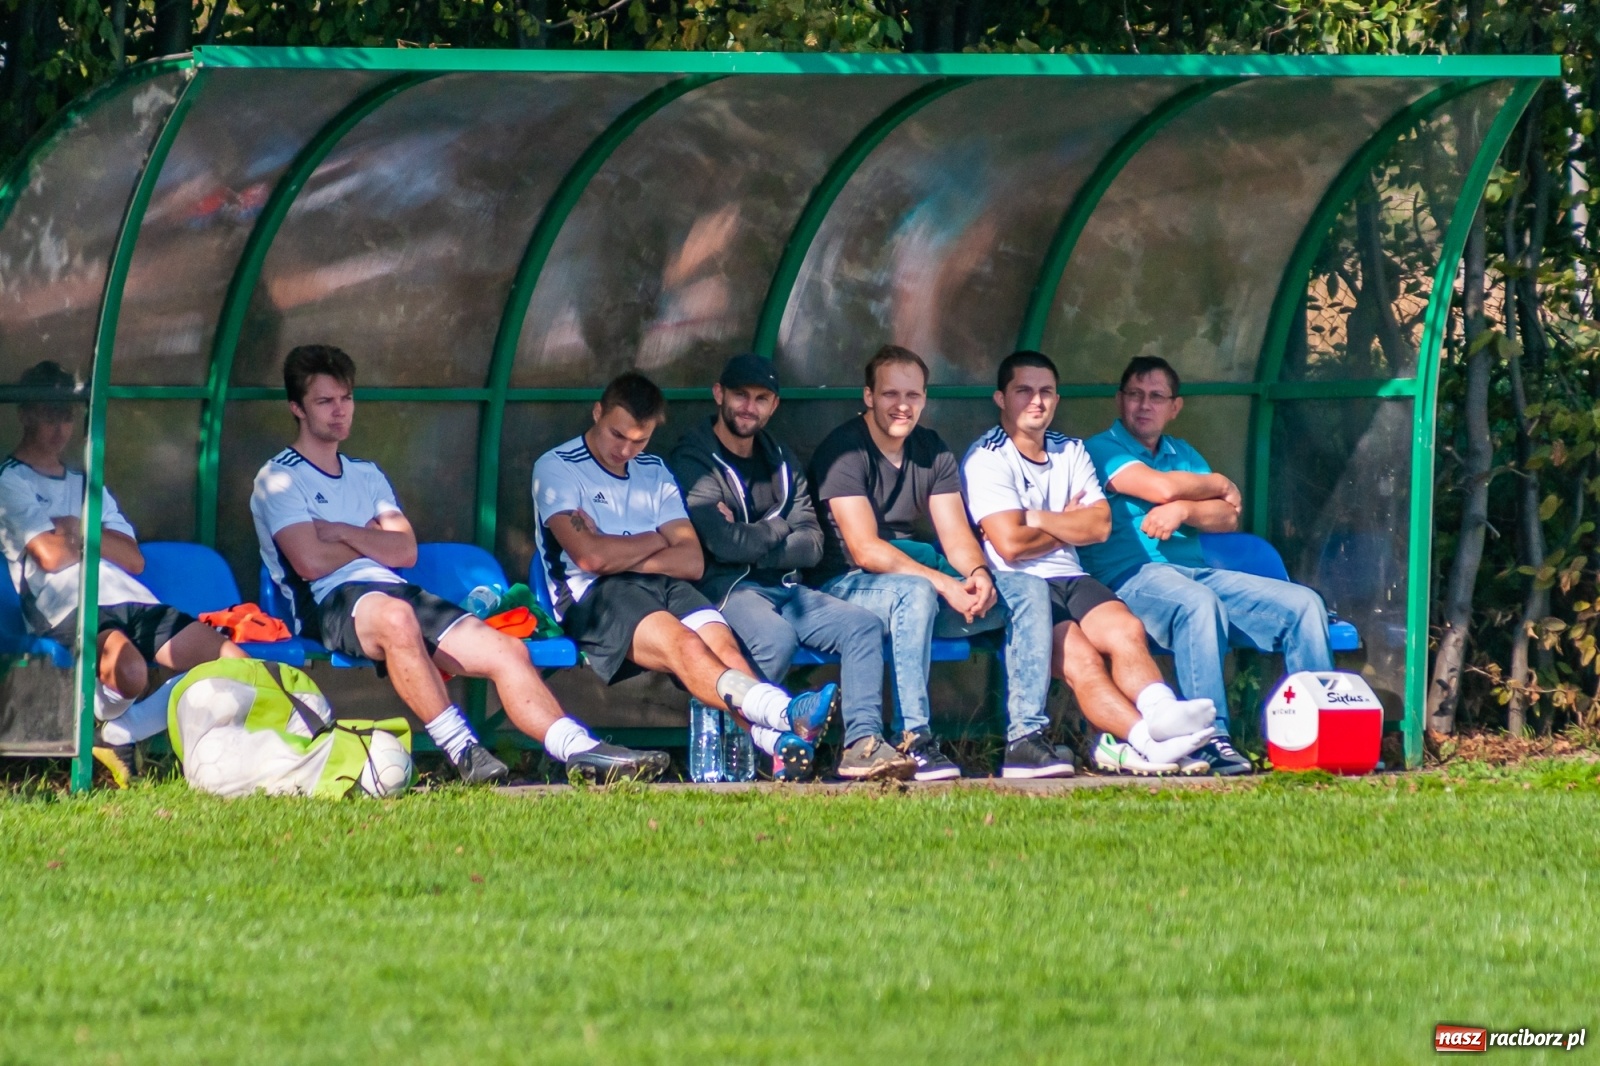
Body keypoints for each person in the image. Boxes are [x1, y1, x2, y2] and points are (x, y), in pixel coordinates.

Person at [252, 345, 667, 785]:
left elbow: (406, 552)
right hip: (329, 603)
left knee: (505, 649)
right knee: (396, 617)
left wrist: (342, 531)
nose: (340, 412)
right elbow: (312, 562)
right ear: (296, 408)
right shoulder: (279, 477)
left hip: (394, 592)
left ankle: (581, 750)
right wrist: (375, 540)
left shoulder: (366, 473)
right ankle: (463, 750)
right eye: (324, 402)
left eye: (346, 399)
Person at [533, 371, 838, 781]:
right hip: (595, 596)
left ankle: (776, 744)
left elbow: (692, 561)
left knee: (726, 651)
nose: (625, 450)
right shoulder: (557, 466)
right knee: (686, 646)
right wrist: (656, 538)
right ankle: (784, 712)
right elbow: (589, 559)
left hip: (663, 584)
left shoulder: (654, 469)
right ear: (597, 412)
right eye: (616, 435)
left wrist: (617, 547)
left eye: (639, 440)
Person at [809, 344, 1059, 781]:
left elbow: (956, 534)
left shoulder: (931, 448)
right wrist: (943, 583)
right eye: (890, 395)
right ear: (868, 396)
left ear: (925, 398)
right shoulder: (845, 450)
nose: (902, 406)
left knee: (1027, 589)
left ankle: (1025, 739)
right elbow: (865, 549)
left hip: (915, 587)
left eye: (913, 396)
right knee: (918, 591)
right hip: (846, 587)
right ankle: (914, 739)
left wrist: (978, 575)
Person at [961, 351, 1217, 776]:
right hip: (1022, 586)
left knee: (1127, 630)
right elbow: (1009, 545)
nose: (1036, 402)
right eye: (1024, 391)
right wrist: (1067, 521)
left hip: (1072, 575)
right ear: (1001, 398)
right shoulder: (987, 457)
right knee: (1082, 661)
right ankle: (1148, 743)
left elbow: (1099, 525)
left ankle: (1163, 713)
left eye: (1045, 392)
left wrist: (1037, 518)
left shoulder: (1071, 450)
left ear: (1057, 400)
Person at [1081, 355, 1335, 776]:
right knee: (1199, 602)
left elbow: (1228, 517)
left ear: (1174, 407)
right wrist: (1217, 483)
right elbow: (1161, 487)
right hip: (1132, 577)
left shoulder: (1184, 453)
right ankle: (1212, 739)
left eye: (1157, 397)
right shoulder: (1100, 448)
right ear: (1118, 400)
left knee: (1304, 604)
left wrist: (1182, 511)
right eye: (1135, 395)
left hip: (1194, 571)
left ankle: (1322, 735)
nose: (1144, 405)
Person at [669, 354, 915, 781]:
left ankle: (862, 744)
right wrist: (781, 528)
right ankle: (771, 747)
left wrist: (757, 537)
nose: (749, 407)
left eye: (761, 398)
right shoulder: (695, 457)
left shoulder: (780, 457)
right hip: (730, 589)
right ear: (718, 394)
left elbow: (813, 543)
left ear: (774, 405)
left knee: (863, 626)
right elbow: (721, 544)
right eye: (740, 395)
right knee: (776, 639)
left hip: (789, 588)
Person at [0, 361, 245, 785]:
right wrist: (93, 539)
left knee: (234, 663)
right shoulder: (10, 481)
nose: (59, 426)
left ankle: (118, 732)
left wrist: (75, 529)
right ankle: (111, 727)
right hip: (65, 605)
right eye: (47, 412)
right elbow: (49, 556)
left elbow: (133, 559)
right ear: (24, 413)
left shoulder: (86, 484)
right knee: (130, 672)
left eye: (66, 414)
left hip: (130, 596)